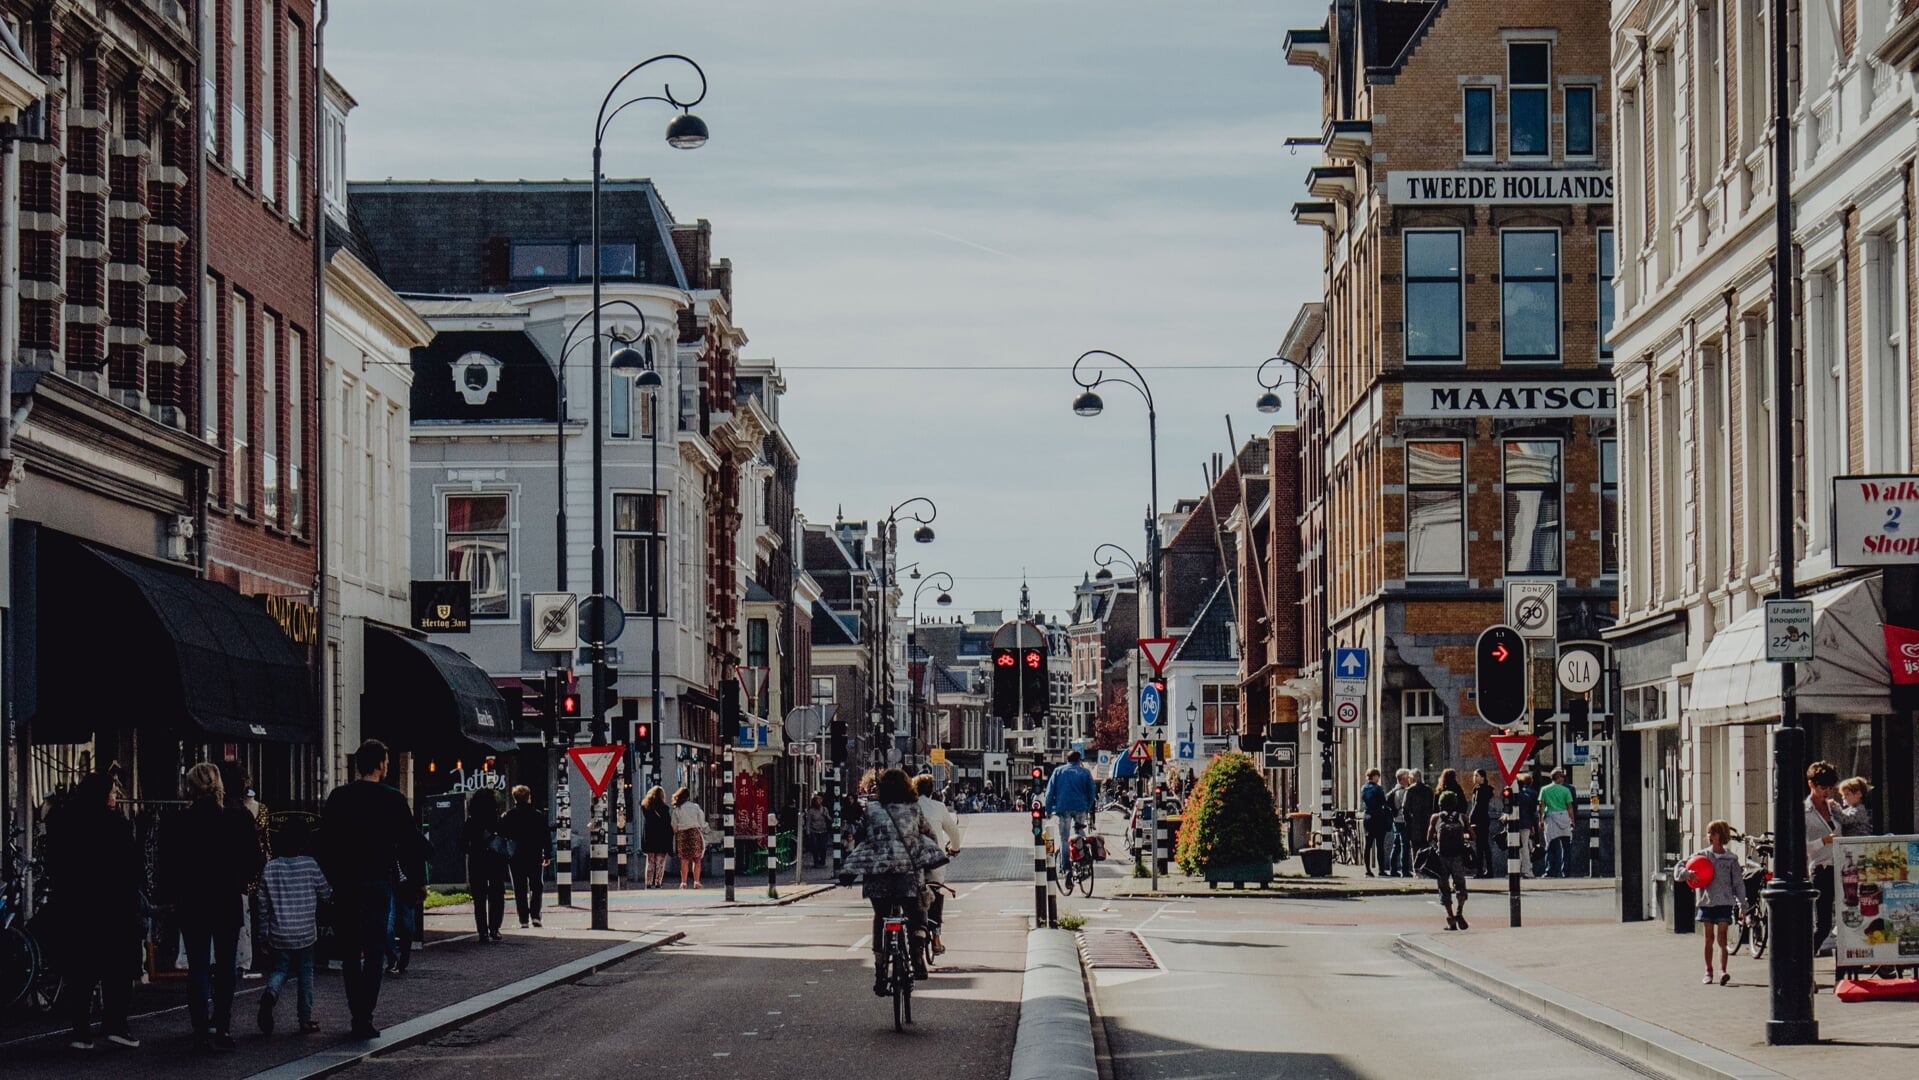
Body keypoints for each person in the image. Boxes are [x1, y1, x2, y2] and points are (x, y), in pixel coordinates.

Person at [321, 739, 430, 1041]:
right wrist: (419, 880)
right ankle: (363, 1015)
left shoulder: (338, 798)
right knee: (373, 951)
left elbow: (325, 844)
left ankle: (355, 1007)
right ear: (382, 765)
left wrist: (334, 878)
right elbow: (410, 844)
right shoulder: (393, 800)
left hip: (345, 885)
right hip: (377, 883)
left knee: (349, 951)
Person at [160, 762, 264, 1051]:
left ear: (190, 788)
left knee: (199, 966)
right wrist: (239, 880)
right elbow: (254, 861)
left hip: (192, 901)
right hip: (227, 898)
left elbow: (167, 867)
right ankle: (222, 1024)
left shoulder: (178, 821)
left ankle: (200, 1028)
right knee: (227, 964)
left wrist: (171, 897)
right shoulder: (237, 818)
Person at [46, 770, 143, 1050]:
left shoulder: (65, 822)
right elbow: (131, 869)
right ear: (102, 795)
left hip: (77, 907)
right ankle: (115, 1024)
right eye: (112, 792)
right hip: (114, 908)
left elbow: (55, 864)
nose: (115, 797)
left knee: (82, 970)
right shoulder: (118, 827)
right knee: (118, 969)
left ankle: (80, 1030)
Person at [842, 769, 941, 995]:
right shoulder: (914, 810)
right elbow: (930, 836)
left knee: (881, 917)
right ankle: (916, 956)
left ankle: (879, 971)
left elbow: (860, 837)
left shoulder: (872, 810)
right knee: (917, 913)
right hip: (908, 875)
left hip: (878, 876)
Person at [257, 815, 330, 1034]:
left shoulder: (271, 868)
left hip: (279, 931)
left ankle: (270, 994)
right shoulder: (310, 864)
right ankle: (305, 1018)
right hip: (305, 930)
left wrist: (263, 935)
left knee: (280, 969)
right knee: (306, 971)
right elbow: (325, 893)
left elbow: (262, 905)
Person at [1684, 820, 1743, 986]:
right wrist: (1687, 874)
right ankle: (1708, 970)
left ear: (1722, 836)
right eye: (1708, 833)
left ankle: (1722, 970)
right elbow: (1681, 867)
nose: (1709, 836)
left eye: (1713, 833)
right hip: (1707, 902)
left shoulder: (1731, 859)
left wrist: (1743, 905)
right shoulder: (1703, 855)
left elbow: (1738, 883)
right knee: (1708, 938)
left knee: (1722, 939)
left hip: (1724, 902)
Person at [914, 775, 962, 955]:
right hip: (935, 860)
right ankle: (936, 937)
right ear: (932, 791)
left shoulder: (910, 808)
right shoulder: (939, 807)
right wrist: (955, 848)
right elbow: (953, 831)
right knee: (935, 892)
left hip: (914, 860)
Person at [462, 789, 508, 942]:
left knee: (479, 898)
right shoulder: (497, 820)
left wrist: (472, 848)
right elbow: (504, 839)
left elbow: (462, 843)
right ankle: (494, 928)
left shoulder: (471, 821)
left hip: (477, 860)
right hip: (495, 861)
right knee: (497, 895)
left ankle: (482, 931)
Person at [498, 785, 548, 926]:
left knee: (519, 888)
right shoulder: (537, 816)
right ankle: (535, 915)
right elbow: (545, 836)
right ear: (529, 797)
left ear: (514, 798)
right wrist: (547, 854)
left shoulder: (508, 816)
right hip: (534, 854)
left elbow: (502, 835)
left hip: (515, 856)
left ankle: (523, 919)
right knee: (536, 886)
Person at [1425, 790, 1474, 931]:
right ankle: (1459, 911)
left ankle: (1450, 917)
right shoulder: (1462, 817)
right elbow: (1472, 836)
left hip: (1442, 857)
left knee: (1444, 888)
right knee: (1460, 885)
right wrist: (1463, 837)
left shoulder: (1436, 818)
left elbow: (1428, 837)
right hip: (1458, 856)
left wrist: (1436, 838)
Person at [1804, 760, 1839, 954]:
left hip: (1842, 867)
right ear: (1811, 785)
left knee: (1847, 919)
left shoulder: (1833, 808)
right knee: (1823, 924)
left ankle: (1843, 970)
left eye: (1830, 788)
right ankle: (1804, 960)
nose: (1826, 792)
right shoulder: (1804, 812)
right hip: (1822, 868)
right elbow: (1802, 848)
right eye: (1822, 787)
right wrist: (1823, 841)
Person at [1042, 749, 1098, 854]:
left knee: (1064, 838)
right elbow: (1092, 791)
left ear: (1067, 760)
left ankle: (1066, 868)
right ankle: (1083, 858)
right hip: (1081, 807)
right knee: (1080, 833)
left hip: (1063, 808)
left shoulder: (1058, 771)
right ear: (1079, 760)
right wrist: (1088, 807)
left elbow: (1049, 792)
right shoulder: (1085, 772)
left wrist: (1048, 810)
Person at [1539, 769, 1577, 878]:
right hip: (1564, 817)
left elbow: (1541, 806)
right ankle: (1566, 871)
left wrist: (1541, 820)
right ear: (1559, 778)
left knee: (1550, 845)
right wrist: (1572, 821)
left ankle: (1550, 870)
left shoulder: (1544, 790)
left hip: (1551, 818)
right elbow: (1570, 807)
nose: (1564, 778)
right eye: (1562, 776)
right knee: (1566, 846)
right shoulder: (1566, 790)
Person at [639, 786, 674, 888]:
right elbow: (668, 825)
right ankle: (658, 882)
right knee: (660, 861)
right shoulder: (665, 809)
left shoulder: (646, 808)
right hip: (661, 838)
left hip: (650, 837)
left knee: (650, 861)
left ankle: (648, 882)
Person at [671, 788, 706, 888]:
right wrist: (702, 827)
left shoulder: (677, 809)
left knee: (684, 859)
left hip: (682, 834)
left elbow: (673, 825)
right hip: (694, 832)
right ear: (688, 796)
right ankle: (696, 881)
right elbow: (701, 821)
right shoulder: (695, 807)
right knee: (697, 859)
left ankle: (684, 882)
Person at [1359, 769, 1392, 877]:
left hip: (1367, 817)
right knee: (1379, 845)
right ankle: (1381, 870)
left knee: (1368, 845)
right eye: (1378, 776)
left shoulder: (1363, 788)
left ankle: (1367, 870)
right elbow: (1384, 803)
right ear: (1375, 776)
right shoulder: (1378, 789)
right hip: (1378, 817)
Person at [1402, 770, 1435, 870]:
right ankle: (1424, 868)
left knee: (1415, 847)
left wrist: (1408, 821)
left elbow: (1405, 807)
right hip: (1426, 822)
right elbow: (1432, 807)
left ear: (1412, 778)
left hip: (1414, 822)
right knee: (1425, 846)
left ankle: (1416, 868)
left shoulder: (1410, 790)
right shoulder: (1429, 790)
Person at [1513, 773, 1541, 877]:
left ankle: (1521, 869)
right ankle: (1527, 869)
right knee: (1524, 846)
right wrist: (1533, 826)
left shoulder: (1515, 796)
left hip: (1516, 824)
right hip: (1526, 824)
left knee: (1518, 847)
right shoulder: (1527, 796)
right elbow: (1531, 812)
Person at [1469, 770, 1496, 878]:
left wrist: (1470, 818)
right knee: (1484, 846)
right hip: (1484, 819)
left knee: (1481, 846)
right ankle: (1487, 870)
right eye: (1474, 775)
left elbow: (1476, 805)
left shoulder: (1480, 790)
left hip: (1479, 820)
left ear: (1483, 777)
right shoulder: (1483, 789)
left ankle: (1481, 870)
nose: (1474, 777)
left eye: (1477, 775)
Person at [1386, 769, 1413, 877]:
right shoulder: (1403, 792)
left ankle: (1393, 869)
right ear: (1402, 779)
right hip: (1402, 820)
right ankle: (1405, 870)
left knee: (1396, 845)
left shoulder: (1394, 791)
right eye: (1407, 778)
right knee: (1404, 845)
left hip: (1395, 820)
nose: (1409, 780)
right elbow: (1404, 807)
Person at [804, 794, 833, 869]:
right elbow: (808, 822)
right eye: (818, 800)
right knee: (815, 847)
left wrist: (826, 815)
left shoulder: (825, 809)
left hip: (823, 830)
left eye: (821, 799)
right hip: (814, 831)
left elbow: (830, 819)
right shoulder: (811, 811)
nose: (820, 801)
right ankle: (816, 862)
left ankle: (822, 861)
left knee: (823, 847)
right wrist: (808, 831)